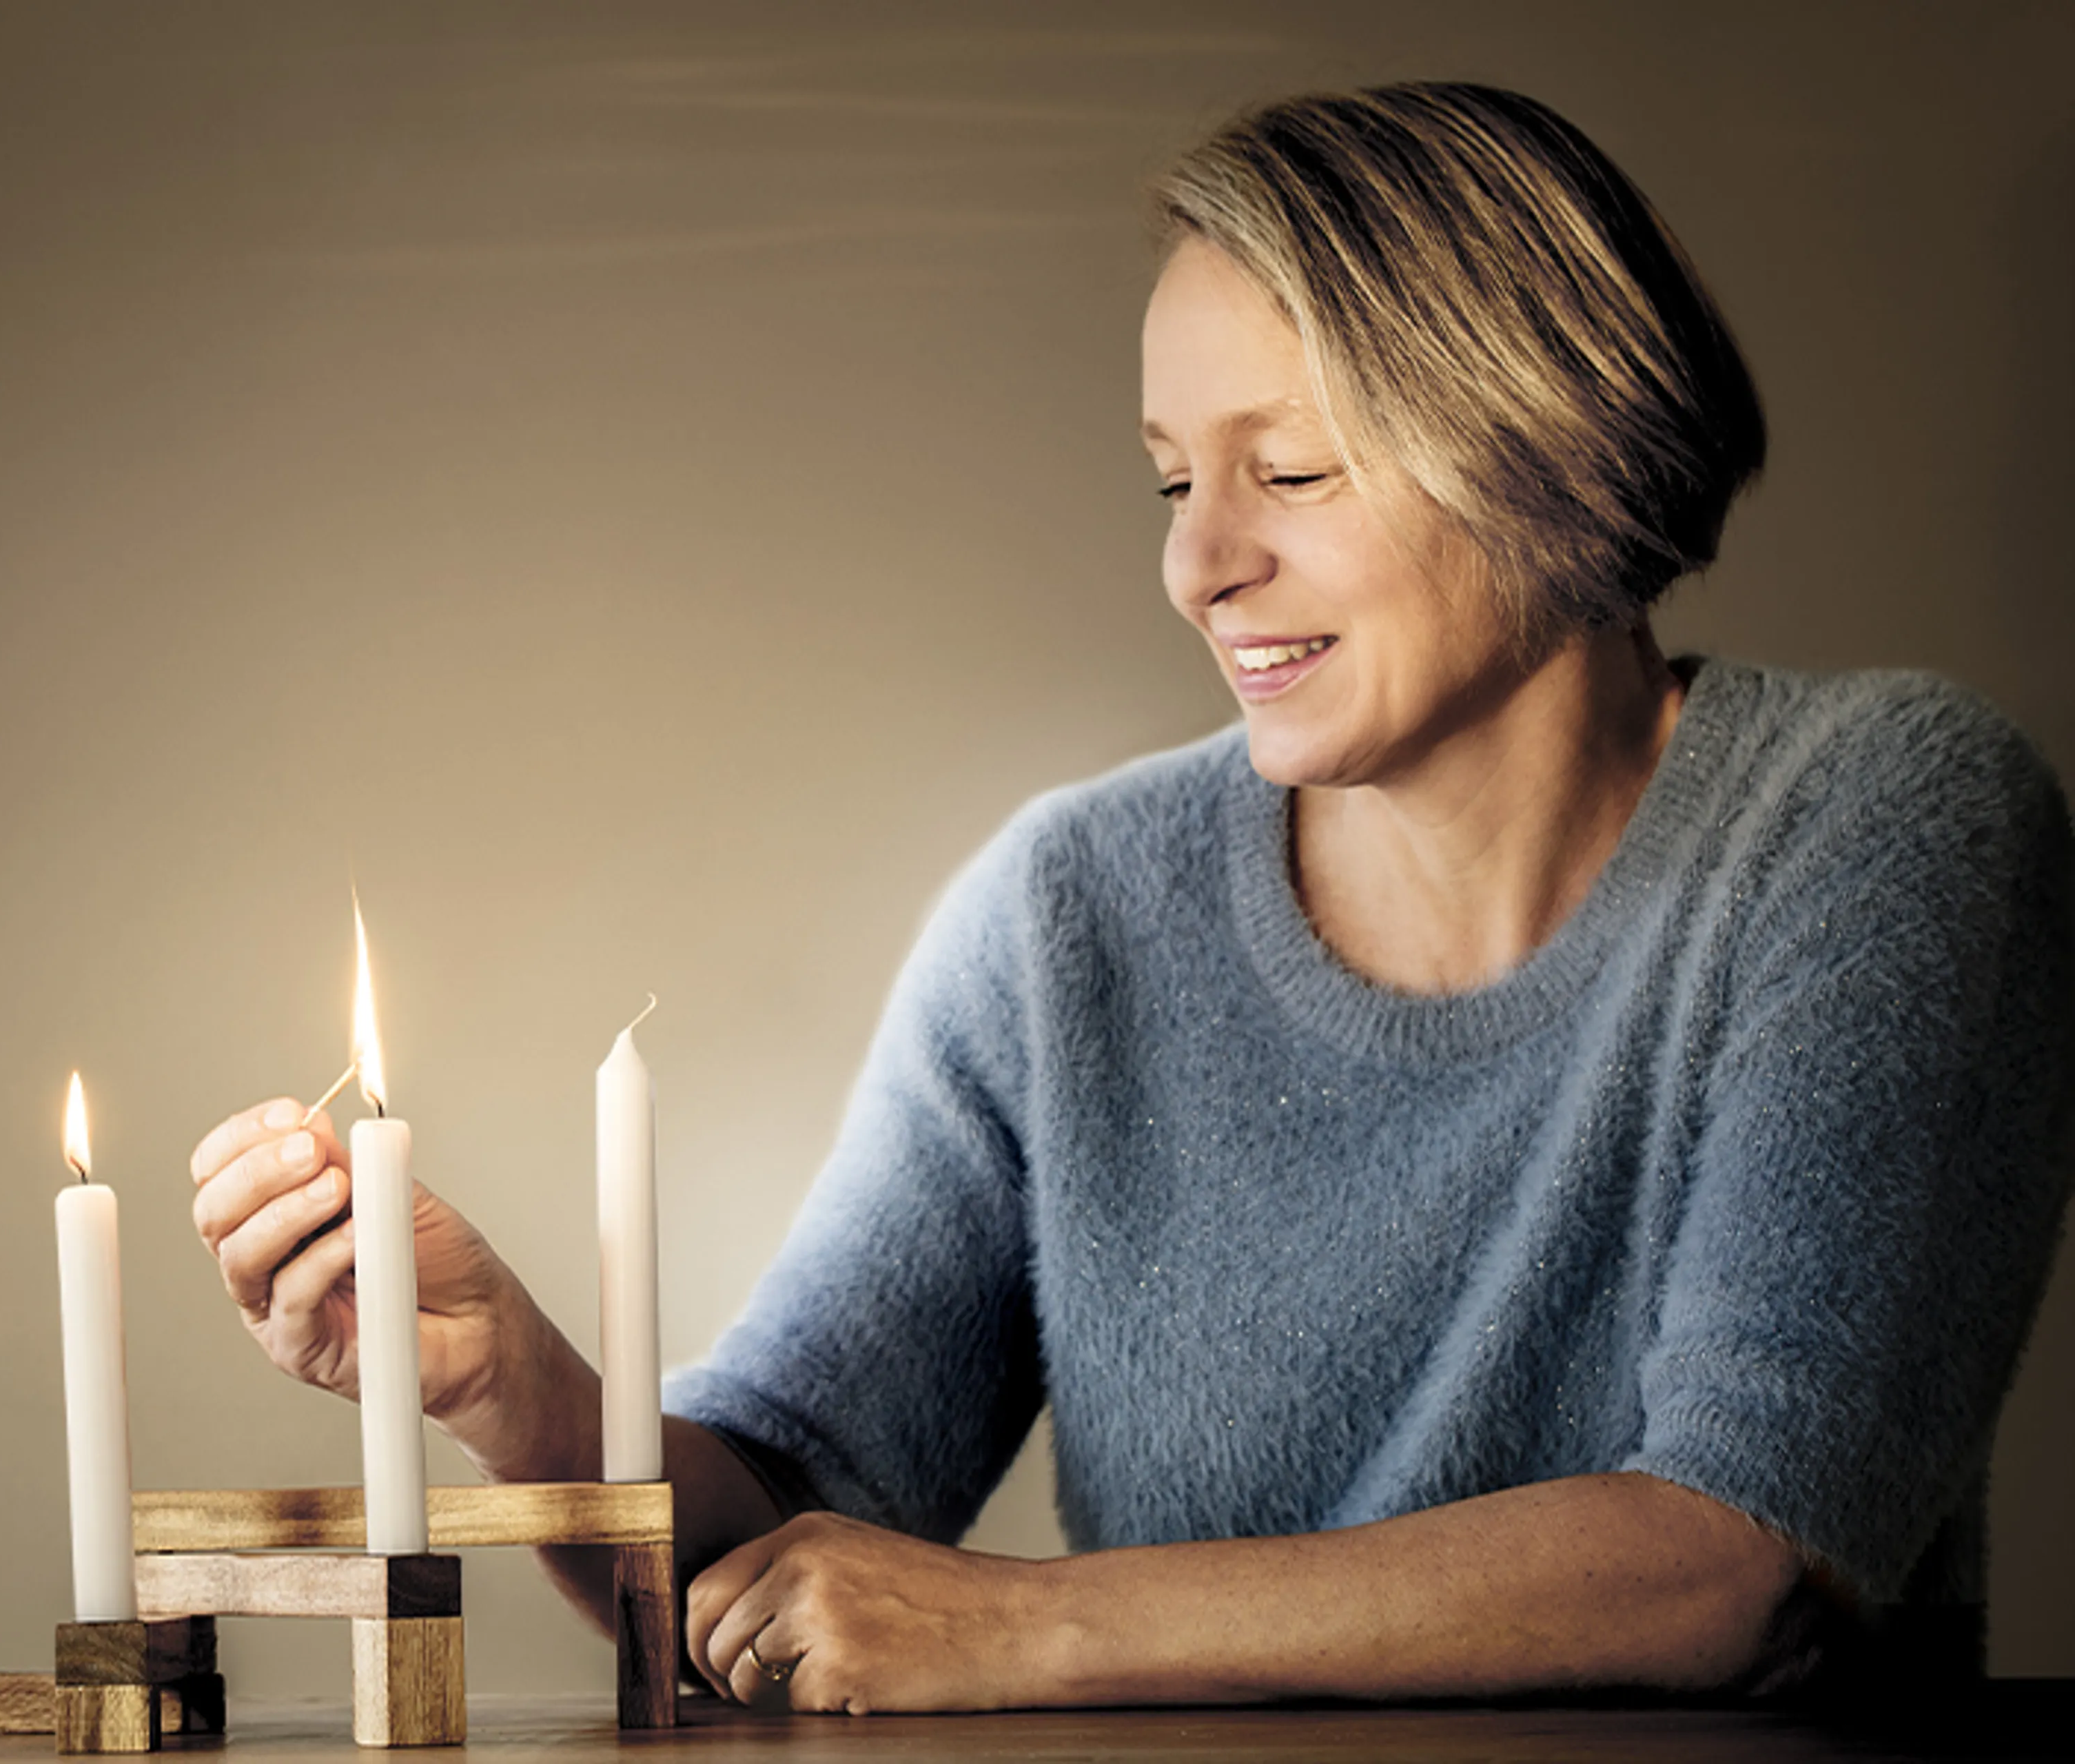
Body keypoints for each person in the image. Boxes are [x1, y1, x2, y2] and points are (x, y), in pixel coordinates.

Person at [187, 83, 2072, 1713]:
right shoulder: (1070, 908)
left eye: (1294, 470)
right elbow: (760, 1562)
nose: (1200, 563)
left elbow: (1744, 1565)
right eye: (1172, 479)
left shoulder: (1882, 818)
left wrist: (1029, 1630)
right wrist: (526, 1395)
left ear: (1561, 439)